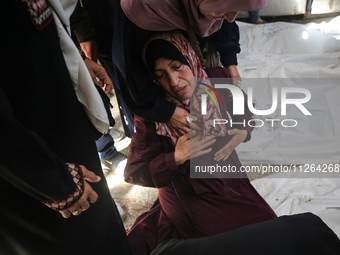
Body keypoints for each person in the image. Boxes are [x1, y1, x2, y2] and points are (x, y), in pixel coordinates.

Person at [124, 31, 277, 255]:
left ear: (191, 59)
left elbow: (246, 111)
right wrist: (176, 157)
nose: (173, 82)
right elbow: (133, 173)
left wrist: (243, 132)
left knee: (269, 229)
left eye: (177, 67)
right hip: (189, 194)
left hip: (230, 177)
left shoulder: (217, 80)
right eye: (161, 75)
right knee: (224, 244)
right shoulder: (154, 115)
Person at [0, 1, 131, 254]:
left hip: (68, 143)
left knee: (105, 231)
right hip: (35, 175)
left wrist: (76, 60)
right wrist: (54, 181)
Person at [76, 0, 266, 138]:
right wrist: (163, 111)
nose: (231, 18)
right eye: (161, 75)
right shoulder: (140, 8)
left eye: (237, 10)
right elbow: (128, 69)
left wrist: (229, 60)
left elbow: (244, 120)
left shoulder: (217, 79)